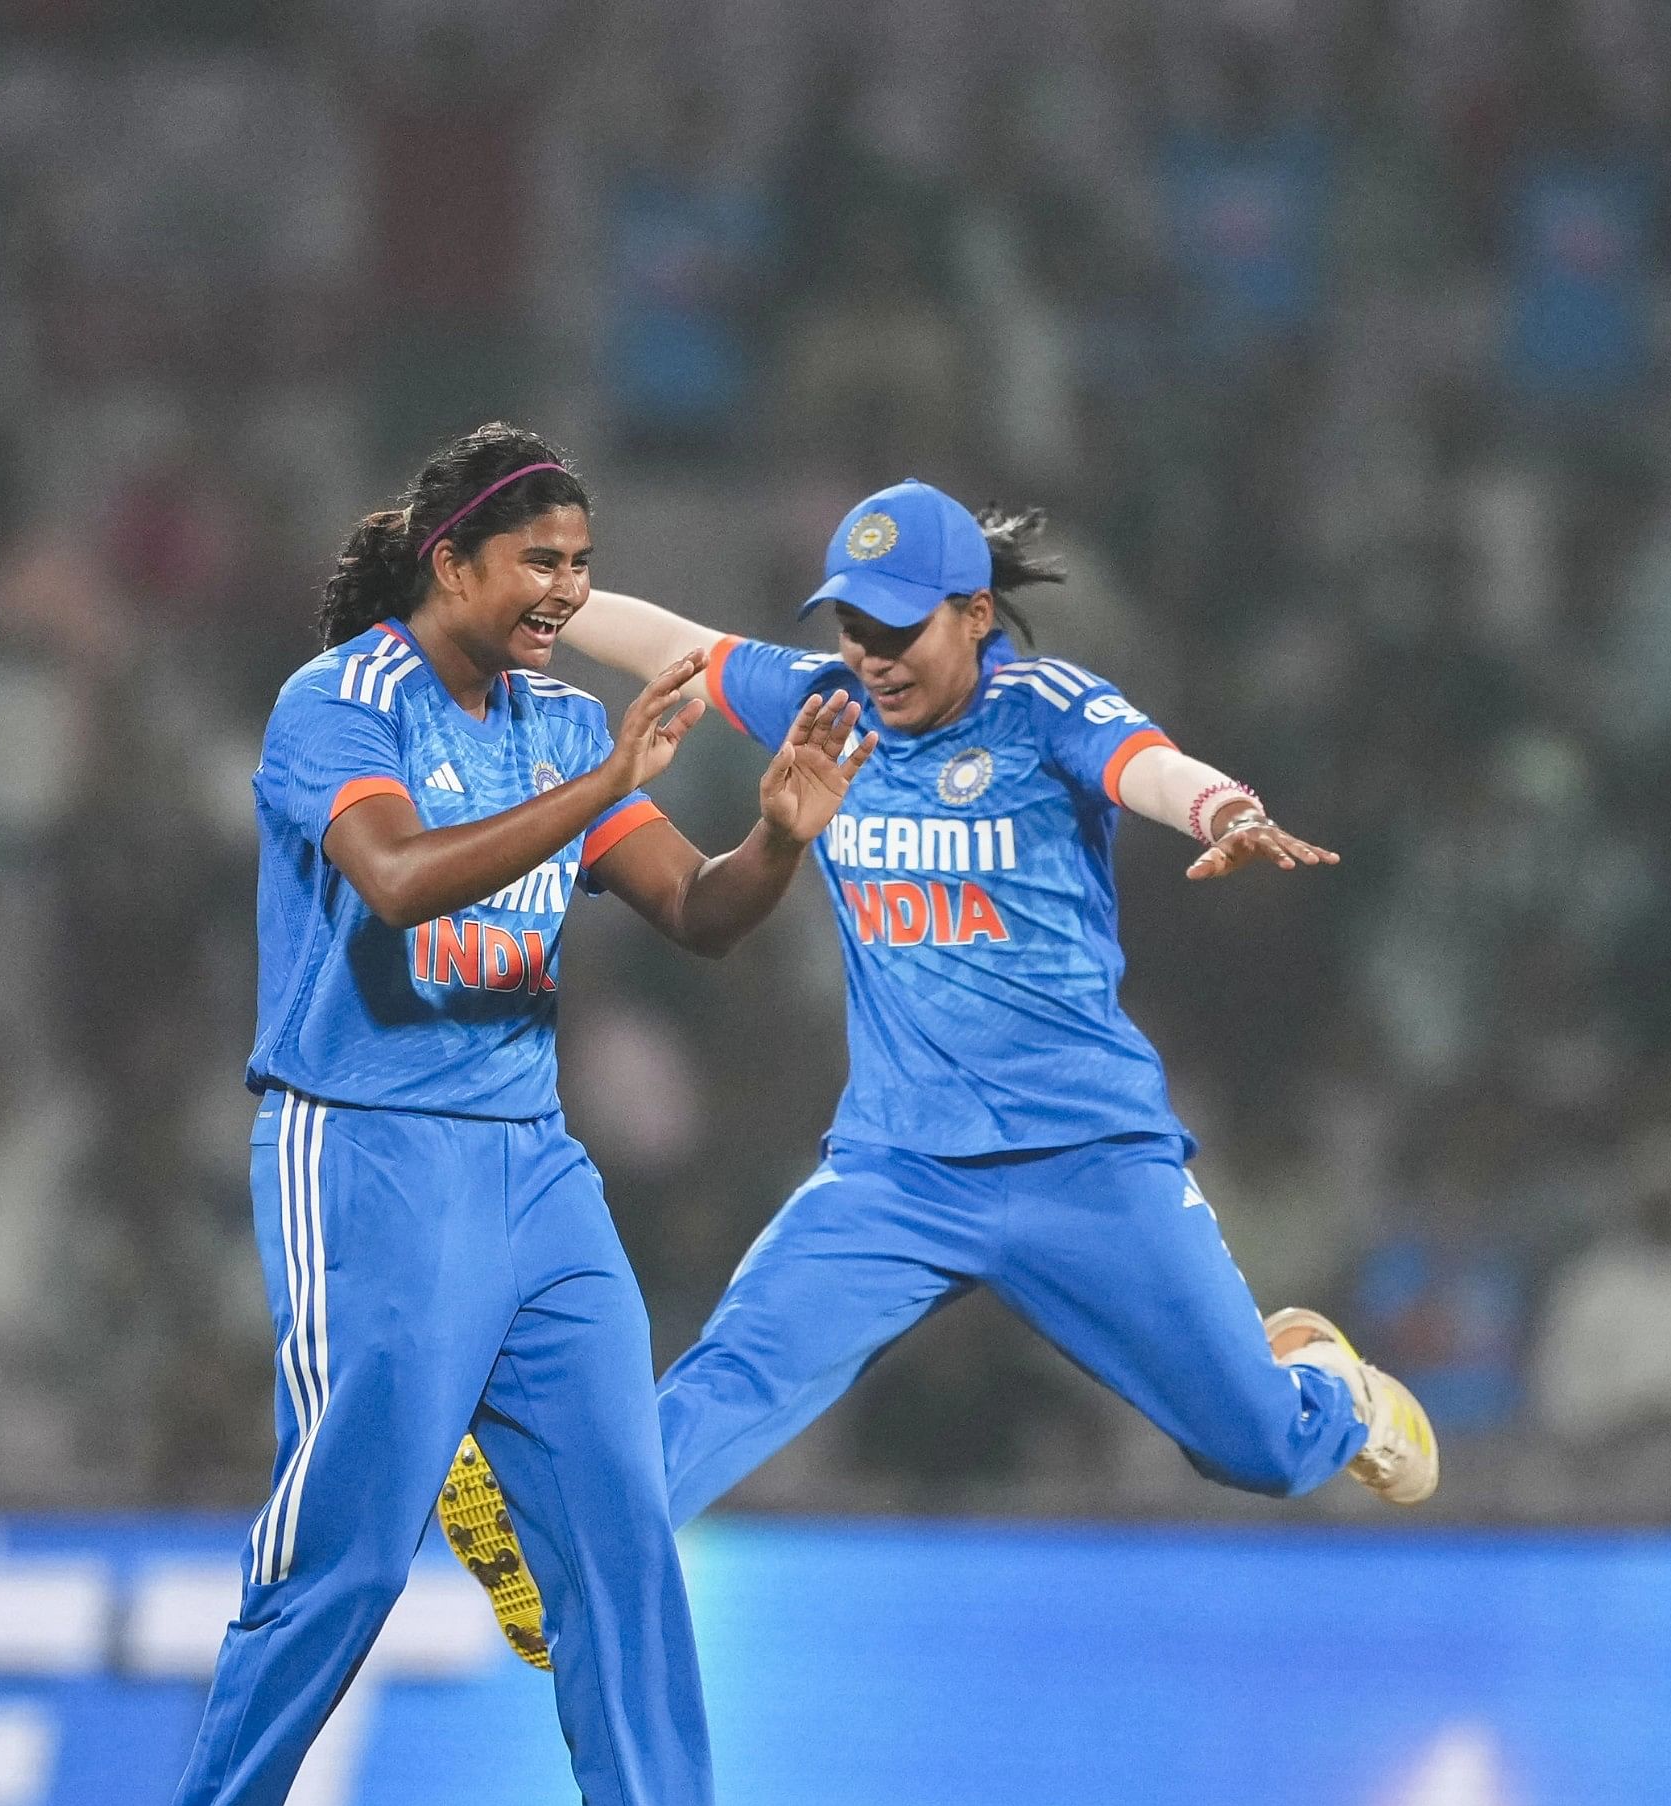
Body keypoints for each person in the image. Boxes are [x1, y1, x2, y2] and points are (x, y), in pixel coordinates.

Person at [102, 425, 858, 1806]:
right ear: (452, 559)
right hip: (360, 1150)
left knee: (621, 1525)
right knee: (356, 1541)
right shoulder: (339, 705)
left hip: (530, 1162)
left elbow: (701, 914)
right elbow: (392, 880)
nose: (566, 593)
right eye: (541, 563)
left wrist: (778, 833)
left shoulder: (567, 722)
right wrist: (599, 786)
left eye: (582, 567)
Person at [436, 479, 1437, 1669]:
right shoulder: (828, 704)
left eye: (898, 629)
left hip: (1087, 1164)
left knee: (1259, 1450)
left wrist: (1221, 807)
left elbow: (1150, 767)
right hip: (898, 1171)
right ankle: (568, 1561)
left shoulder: (1045, 705)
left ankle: (1332, 1384)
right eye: (852, 627)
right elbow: (681, 650)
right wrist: (540, 597)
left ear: (972, 612)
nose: (872, 656)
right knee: (738, 1367)